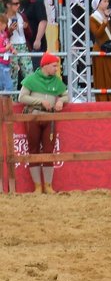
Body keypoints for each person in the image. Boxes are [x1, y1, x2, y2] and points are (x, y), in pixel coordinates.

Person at [18, 51, 67, 192]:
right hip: (33, 116)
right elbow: (22, 97)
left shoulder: (56, 81)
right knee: (33, 150)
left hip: (49, 118)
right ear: (45, 66)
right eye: (54, 65)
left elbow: (66, 95)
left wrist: (61, 101)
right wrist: (40, 101)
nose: (56, 68)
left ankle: (48, 185)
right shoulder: (31, 79)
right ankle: (37, 186)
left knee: (48, 151)